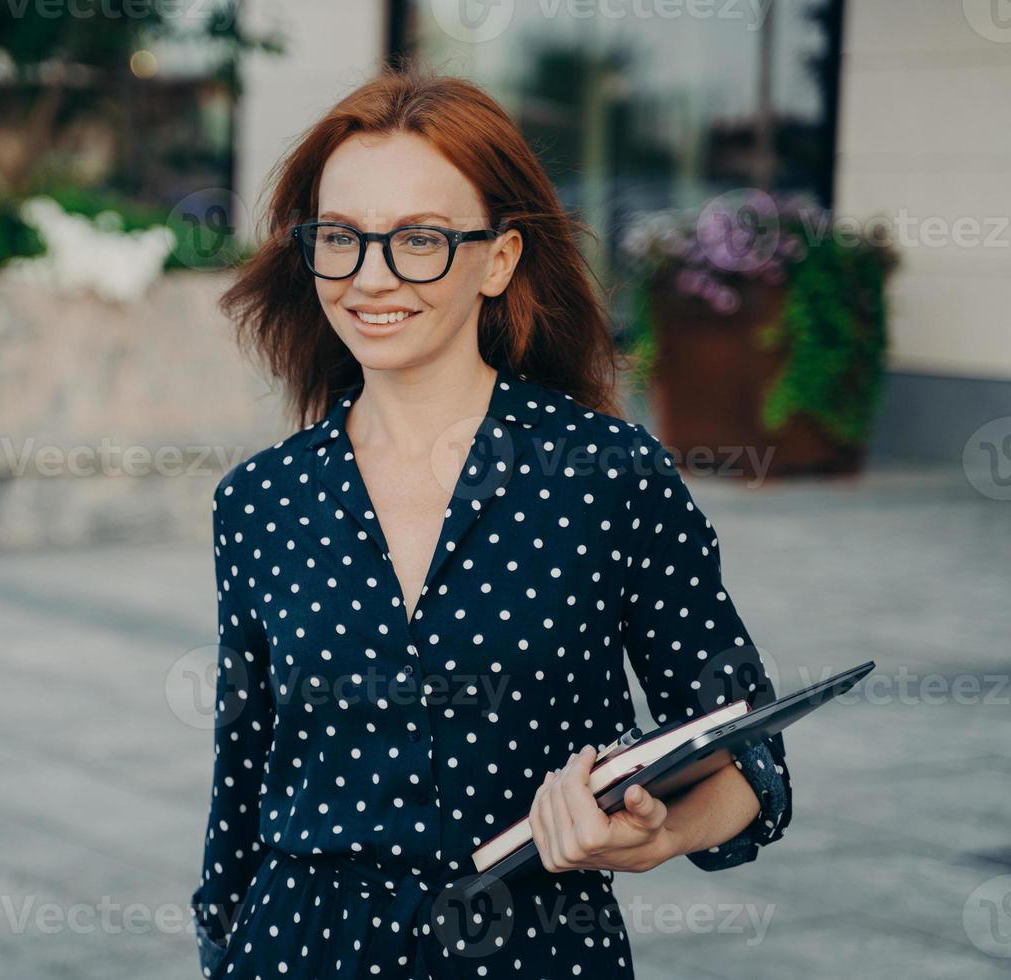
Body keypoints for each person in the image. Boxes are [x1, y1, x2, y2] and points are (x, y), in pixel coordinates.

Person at [189, 66, 791, 980]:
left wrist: (662, 831)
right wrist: (219, 946)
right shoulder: (261, 500)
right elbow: (242, 779)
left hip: (534, 953)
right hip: (298, 950)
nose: (370, 277)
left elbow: (751, 752)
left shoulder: (608, 476)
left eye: (420, 239)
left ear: (499, 258)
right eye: (340, 238)